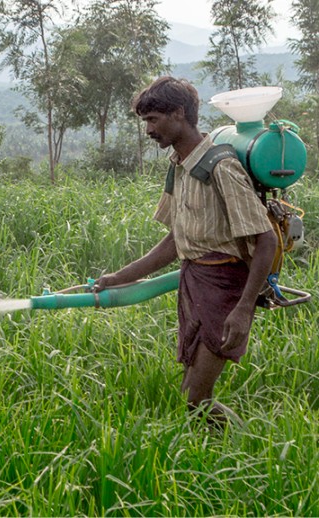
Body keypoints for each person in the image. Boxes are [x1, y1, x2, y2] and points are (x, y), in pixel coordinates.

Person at [94, 76, 277, 428]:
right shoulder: (179, 165)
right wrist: (119, 278)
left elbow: (265, 240)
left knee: (196, 398)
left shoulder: (220, 167)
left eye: (153, 119)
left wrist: (243, 310)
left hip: (226, 288)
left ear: (179, 114)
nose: (148, 130)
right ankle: (214, 457)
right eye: (145, 120)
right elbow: (175, 242)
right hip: (196, 284)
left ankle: (245, 445)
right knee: (189, 394)